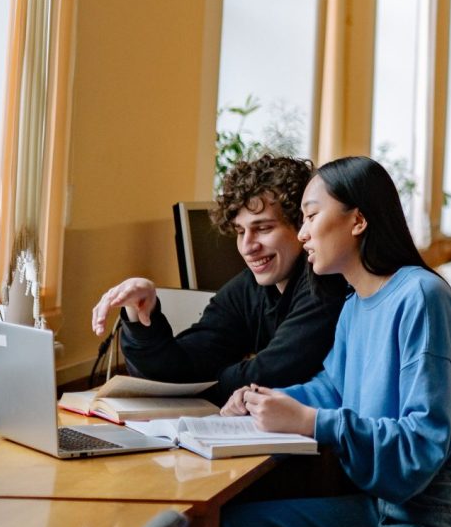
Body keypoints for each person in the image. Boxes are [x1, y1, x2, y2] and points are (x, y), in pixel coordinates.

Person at [218, 156, 451, 527]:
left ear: (358, 221)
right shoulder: (355, 305)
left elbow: (420, 443)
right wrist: (265, 399)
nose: (302, 234)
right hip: (386, 506)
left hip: (448, 522)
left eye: (311, 216)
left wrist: (312, 421)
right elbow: (332, 388)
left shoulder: (421, 297)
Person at [89, 154, 347, 405]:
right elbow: (179, 368)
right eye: (240, 231)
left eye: (263, 228)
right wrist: (141, 315)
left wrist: (203, 384)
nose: (247, 246)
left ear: (302, 226)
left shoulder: (325, 282)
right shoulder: (247, 287)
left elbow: (271, 374)